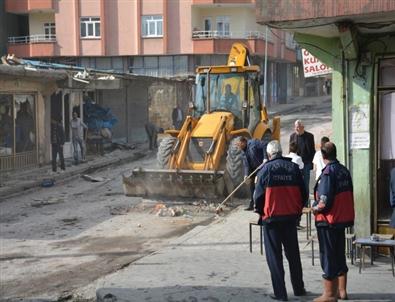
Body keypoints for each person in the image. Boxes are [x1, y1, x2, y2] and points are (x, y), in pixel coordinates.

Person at [254, 140, 307, 301]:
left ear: (269, 155)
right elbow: (304, 193)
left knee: (274, 258)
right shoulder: (293, 168)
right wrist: (297, 211)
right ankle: (298, 289)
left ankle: (281, 294)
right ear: (281, 152)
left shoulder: (265, 170)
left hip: (271, 221)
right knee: (293, 255)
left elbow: (258, 197)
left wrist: (261, 212)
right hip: (290, 219)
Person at [312, 142, 354, 302]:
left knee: (328, 255)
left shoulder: (328, 173)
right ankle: (342, 291)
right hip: (341, 219)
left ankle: (329, 295)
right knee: (339, 254)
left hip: (328, 220)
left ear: (323, 157)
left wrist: (314, 208)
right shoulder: (344, 171)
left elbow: (324, 201)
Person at [236, 136, 268, 211]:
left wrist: (265, 157)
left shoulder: (253, 143)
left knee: (259, 186)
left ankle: (261, 205)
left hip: (260, 167)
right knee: (252, 186)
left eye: (238, 144)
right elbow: (246, 165)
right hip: (252, 169)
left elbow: (265, 145)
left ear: (243, 142)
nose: (238, 146)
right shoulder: (243, 152)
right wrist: (246, 175)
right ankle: (252, 205)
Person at [289, 120, 315, 206]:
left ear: (302, 127)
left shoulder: (309, 136)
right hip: (296, 164)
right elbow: (290, 150)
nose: (297, 129)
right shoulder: (292, 136)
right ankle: (297, 201)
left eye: (298, 127)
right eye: (295, 127)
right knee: (295, 183)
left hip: (306, 163)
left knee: (305, 183)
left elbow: (312, 151)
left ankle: (305, 203)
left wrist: (312, 163)